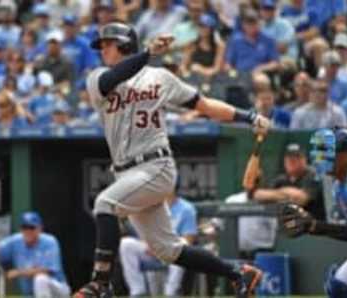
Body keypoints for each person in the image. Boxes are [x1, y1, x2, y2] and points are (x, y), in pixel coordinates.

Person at [73, 22, 269, 298]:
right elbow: (114, 78)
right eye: (101, 46)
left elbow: (205, 105)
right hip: (127, 173)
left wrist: (248, 116)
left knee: (105, 204)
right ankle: (238, 273)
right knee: (168, 250)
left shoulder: (160, 77)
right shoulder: (97, 78)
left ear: (125, 45)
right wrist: (147, 53)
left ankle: (101, 283)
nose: (102, 50)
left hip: (155, 165)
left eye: (108, 44)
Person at [280, 128, 347, 298]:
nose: (320, 157)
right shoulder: (340, 186)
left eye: (328, 152)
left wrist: (315, 226)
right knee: (340, 286)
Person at [0, 211, 71, 298]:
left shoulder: (50, 241)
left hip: (58, 290)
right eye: (24, 227)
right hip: (31, 294)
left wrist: (18, 272)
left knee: (40, 279)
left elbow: (46, 271)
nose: (28, 231)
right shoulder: (16, 240)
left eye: (31, 227)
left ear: (40, 228)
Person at [119, 191, 197, 297]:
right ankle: (137, 291)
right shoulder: (150, 204)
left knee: (182, 246)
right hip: (152, 250)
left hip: (173, 253)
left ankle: (171, 292)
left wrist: (165, 246)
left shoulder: (186, 208)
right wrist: (151, 244)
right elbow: (143, 230)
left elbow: (189, 239)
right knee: (126, 244)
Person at [252, 143, 325, 220]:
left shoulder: (313, 175)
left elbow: (300, 199)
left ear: (304, 159)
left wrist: (274, 196)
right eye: (289, 157)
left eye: (296, 157)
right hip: (287, 226)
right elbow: (258, 195)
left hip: (312, 227)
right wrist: (287, 195)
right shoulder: (281, 179)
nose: (291, 161)